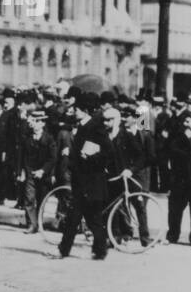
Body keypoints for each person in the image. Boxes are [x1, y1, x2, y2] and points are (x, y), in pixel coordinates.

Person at [58, 94, 119, 260]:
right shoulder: (85, 126)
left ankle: (67, 249)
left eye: (76, 109)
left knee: (82, 217)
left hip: (91, 182)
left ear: (85, 111)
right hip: (84, 181)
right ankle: (98, 250)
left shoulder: (95, 127)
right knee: (89, 219)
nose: (74, 111)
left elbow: (109, 152)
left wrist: (90, 158)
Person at [113, 105, 154, 246]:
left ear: (135, 118)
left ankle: (145, 238)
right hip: (124, 174)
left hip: (140, 176)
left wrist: (134, 169)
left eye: (127, 116)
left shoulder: (145, 134)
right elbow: (118, 155)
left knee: (140, 207)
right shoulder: (121, 134)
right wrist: (124, 169)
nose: (124, 119)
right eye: (123, 116)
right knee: (122, 205)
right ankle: (124, 235)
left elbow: (150, 157)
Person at [19, 110, 55, 234]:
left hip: (43, 175)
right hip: (29, 172)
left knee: (41, 199)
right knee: (29, 199)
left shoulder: (49, 139)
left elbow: (52, 158)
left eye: (36, 121)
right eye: (33, 121)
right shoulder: (27, 138)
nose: (33, 123)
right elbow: (22, 156)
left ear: (42, 123)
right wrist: (22, 171)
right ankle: (31, 225)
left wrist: (43, 170)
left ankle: (38, 223)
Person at [166, 109, 191, 245]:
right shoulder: (179, 134)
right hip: (180, 177)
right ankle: (172, 235)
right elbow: (172, 149)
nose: (187, 124)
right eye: (186, 121)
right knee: (175, 209)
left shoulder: (142, 110)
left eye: (190, 121)